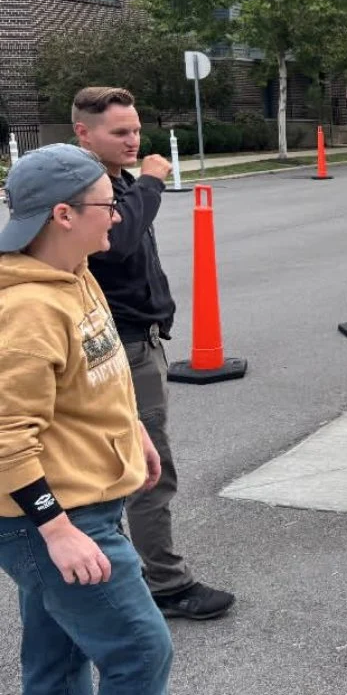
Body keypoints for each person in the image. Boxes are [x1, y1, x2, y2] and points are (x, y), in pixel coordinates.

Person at [0, 144, 174, 695]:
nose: (119, 217)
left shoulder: (75, 274)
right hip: (50, 517)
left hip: (85, 503)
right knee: (139, 651)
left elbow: (93, 375)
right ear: (64, 215)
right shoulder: (26, 309)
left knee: (56, 658)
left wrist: (132, 432)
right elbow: (5, 435)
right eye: (108, 203)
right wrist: (56, 530)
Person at [74, 86, 234, 621]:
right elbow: (118, 244)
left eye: (135, 130)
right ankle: (166, 583)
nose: (132, 140)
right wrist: (151, 180)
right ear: (83, 133)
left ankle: (124, 570)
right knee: (148, 467)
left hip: (140, 338)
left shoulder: (114, 183)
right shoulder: (87, 185)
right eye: (119, 132)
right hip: (119, 345)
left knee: (127, 464)